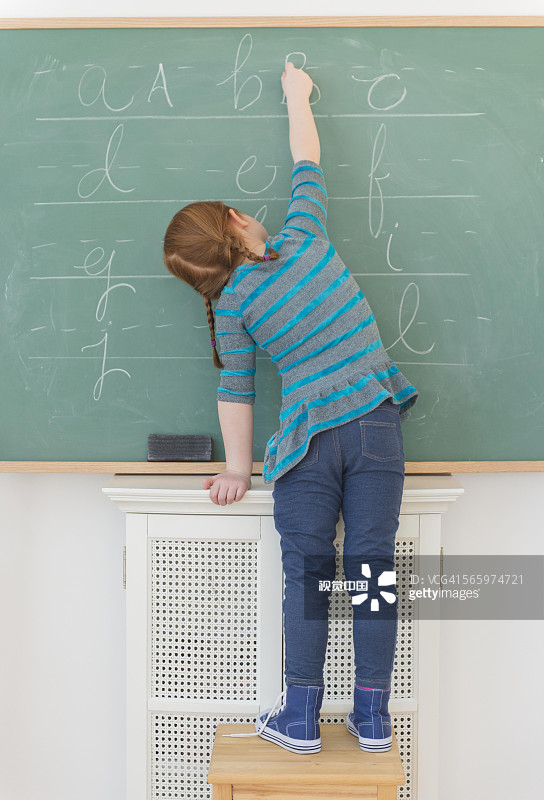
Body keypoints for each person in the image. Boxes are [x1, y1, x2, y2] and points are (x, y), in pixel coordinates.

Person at [163, 61, 419, 755]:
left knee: (307, 574)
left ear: (202, 277)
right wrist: (296, 94)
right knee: (373, 570)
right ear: (241, 224)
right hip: (374, 422)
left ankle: (301, 716)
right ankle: (372, 715)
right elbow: (307, 158)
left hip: (308, 443)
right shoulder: (303, 238)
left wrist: (239, 472)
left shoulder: (231, 310)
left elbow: (236, 392)